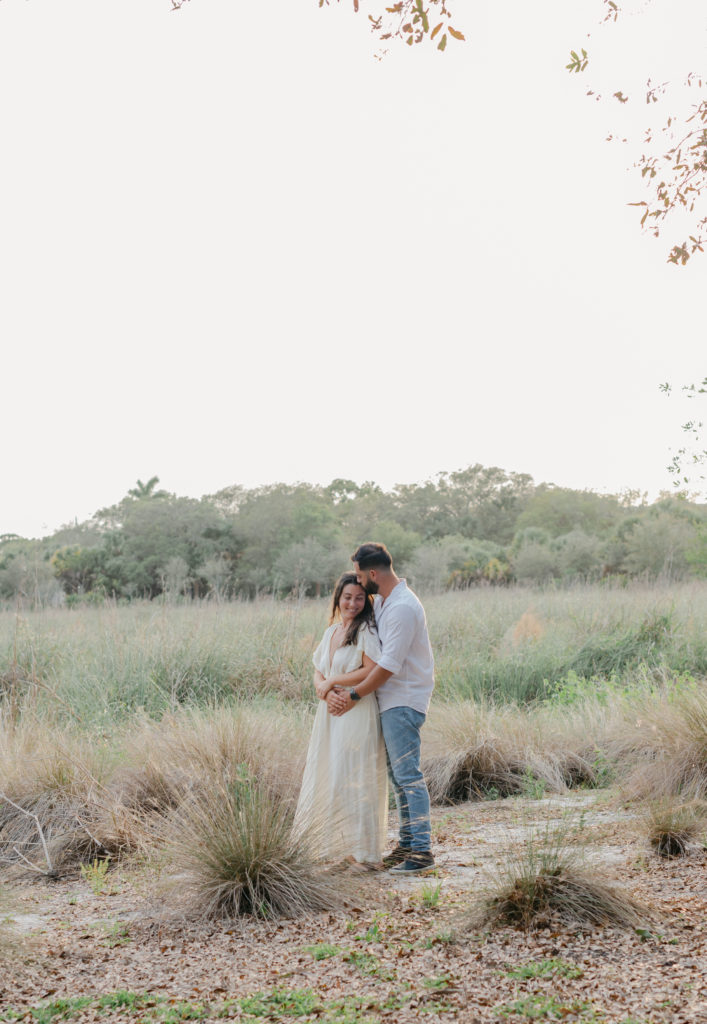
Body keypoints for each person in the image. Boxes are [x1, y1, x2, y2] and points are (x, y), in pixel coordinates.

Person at [328, 542, 435, 875]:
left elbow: (389, 664)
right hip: (391, 701)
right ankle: (406, 845)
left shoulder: (402, 606)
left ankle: (420, 852)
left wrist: (354, 695)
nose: (358, 583)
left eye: (360, 576)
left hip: (403, 700)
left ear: (373, 573)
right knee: (398, 777)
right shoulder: (388, 603)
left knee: (408, 776)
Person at [293, 572, 388, 867]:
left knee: (353, 775)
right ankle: (333, 848)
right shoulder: (330, 632)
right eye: (348, 597)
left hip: (356, 708)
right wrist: (324, 690)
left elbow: (370, 669)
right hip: (329, 712)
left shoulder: (366, 630)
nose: (353, 603)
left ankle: (361, 854)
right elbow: (317, 670)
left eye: (360, 598)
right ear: (338, 598)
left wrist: (333, 681)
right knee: (329, 773)